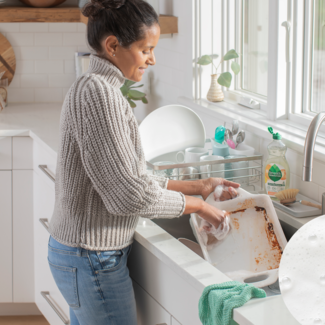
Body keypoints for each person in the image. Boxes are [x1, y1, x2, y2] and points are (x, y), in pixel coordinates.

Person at [47, 0, 239, 324]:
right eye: (145, 48)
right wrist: (199, 205)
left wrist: (201, 187)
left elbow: (132, 177)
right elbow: (129, 196)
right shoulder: (99, 95)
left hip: (84, 255)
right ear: (112, 46)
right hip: (92, 258)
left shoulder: (101, 89)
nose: (152, 59)